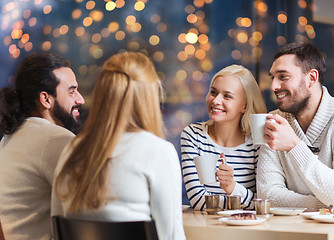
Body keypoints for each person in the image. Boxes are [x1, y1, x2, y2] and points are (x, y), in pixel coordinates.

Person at [52, 51, 185, 240]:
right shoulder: (158, 152)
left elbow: (57, 225)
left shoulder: (72, 149)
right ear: (149, 97)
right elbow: (171, 236)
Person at [257, 42, 334, 214]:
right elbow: (268, 196)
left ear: (312, 78)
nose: (274, 86)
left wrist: (294, 147)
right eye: (272, 78)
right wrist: (327, 205)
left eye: (283, 77)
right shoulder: (275, 121)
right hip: (296, 232)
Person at [0, 52, 85, 240]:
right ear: (46, 99)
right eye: (71, 91)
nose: (80, 99)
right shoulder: (57, 139)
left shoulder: (10, 137)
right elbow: (88, 209)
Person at [181, 64, 267, 210]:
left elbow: (263, 203)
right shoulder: (192, 135)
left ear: (244, 106)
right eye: (213, 92)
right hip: (205, 229)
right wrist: (241, 201)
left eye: (227, 96)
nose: (215, 101)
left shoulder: (257, 144)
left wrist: (231, 186)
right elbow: (197, 200)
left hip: (247, 230)